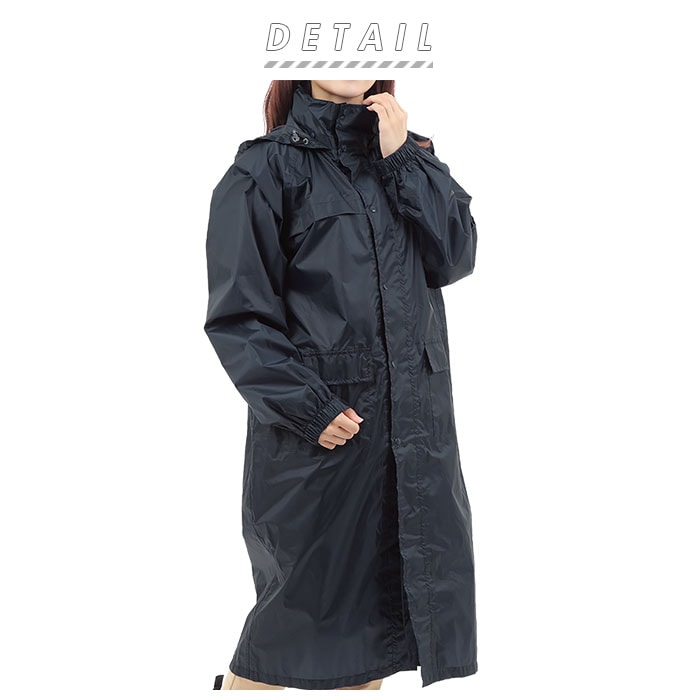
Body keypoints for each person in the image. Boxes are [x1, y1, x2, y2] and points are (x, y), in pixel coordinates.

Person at [204, 80, 478, 690]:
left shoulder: (409, 155)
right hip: (322, 444)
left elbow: (456, 255)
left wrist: (403, 159)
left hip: (415, 442)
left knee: (379, 639)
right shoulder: (263, 170)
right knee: (285, 638)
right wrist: (309, 406)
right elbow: (239, 318)